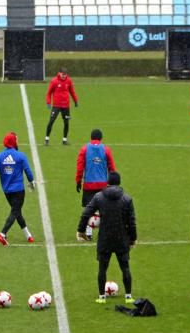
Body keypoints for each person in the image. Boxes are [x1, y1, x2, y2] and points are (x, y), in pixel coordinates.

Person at [77, 171, 136, 303]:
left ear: (107, 182)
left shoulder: (99, 197)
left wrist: (81, 230)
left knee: (102, 267)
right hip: (121, 238)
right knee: (125, 267)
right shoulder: (127, 198)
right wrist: (133, 238)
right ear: (119, 182)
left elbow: (86, 213)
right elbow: (131, 221)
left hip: (105, 238)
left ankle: (102, 297)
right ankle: (128, 296)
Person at [0, 132, 36, 246]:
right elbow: (28, 171)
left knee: (16, 211)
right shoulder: (21, 156)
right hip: (18, 190)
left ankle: (28, 235)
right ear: (13, 142)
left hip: (7, 191)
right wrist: (32, 182)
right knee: (15, 211)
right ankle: (2, 234)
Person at [75, 128, 116, 239]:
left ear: (91, 138)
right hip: (103, 185)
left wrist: (78, 181)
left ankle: (88, 233)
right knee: (104, 208)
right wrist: (113, 183)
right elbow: (112, 168)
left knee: (89, 208)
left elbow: (80, 167)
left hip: (89, 184)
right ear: (101, 138)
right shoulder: (106, 150)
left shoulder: (84, 149)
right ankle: (106, 232)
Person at [45, 68, 78, 145]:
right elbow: (49, 93)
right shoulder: (54, 81)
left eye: (65, 74)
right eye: (63, 74)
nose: (64, 76)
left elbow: (72, 91)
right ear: (59, 73)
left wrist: (75, 100)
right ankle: (46, 139)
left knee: (66, 123)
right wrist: (48, 102)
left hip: (66, 106)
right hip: (56, 106)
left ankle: (64, 140)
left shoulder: (69, 81)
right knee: (51, 121)